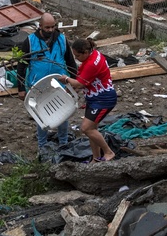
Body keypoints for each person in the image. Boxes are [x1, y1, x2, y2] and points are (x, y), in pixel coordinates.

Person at [17, 13, 77, 149]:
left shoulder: (62, 39)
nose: (50, 30)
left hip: (59, 83)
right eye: (47, 27)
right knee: (41, 115)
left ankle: (63, 143)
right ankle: (42, 146)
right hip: (38, 85)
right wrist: (21, 89)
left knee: (63, 112)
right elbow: (21, 65)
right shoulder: (30, 41)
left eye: (53, 27)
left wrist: (75, 82)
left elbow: (70, 62)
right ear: (40, 26)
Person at [58, 38, 116, 162]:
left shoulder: (91, 64)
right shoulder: (95, 54)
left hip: (103, 99)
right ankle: (96, 158)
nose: (76, 58)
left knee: (86, 128)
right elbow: (84, 80)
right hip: (94, 98)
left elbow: (80, 83)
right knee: (92, 129)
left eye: (78, 55)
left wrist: (67, 80)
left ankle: (108, 152)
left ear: (85, 52)